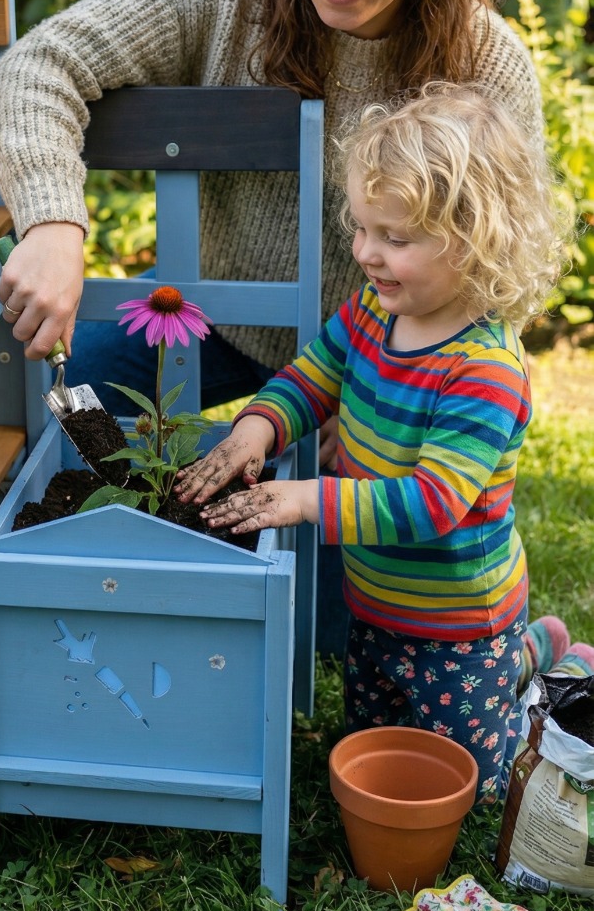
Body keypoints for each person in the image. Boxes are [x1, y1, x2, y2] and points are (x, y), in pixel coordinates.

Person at [0, 0, 544, 439]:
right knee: (29, 422)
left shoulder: (484, 63)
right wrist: (52, 223)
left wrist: (392, 394)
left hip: (384, 356)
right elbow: (36, 67)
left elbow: (504, 272)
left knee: (348, 546)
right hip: (216, 318)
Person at [174, 85, 592, 802]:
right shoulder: (374, 307)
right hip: (373, 601)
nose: (366, 253)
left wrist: (308, 498)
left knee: (475, 784)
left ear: (477, 239)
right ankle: (522, 660)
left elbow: (432, 503)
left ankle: (532, 660)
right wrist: (258, 425)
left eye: (395, 239)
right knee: (368, 741)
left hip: (461, 621)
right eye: (363, 229)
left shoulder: (482, 369)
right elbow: (313, 375)